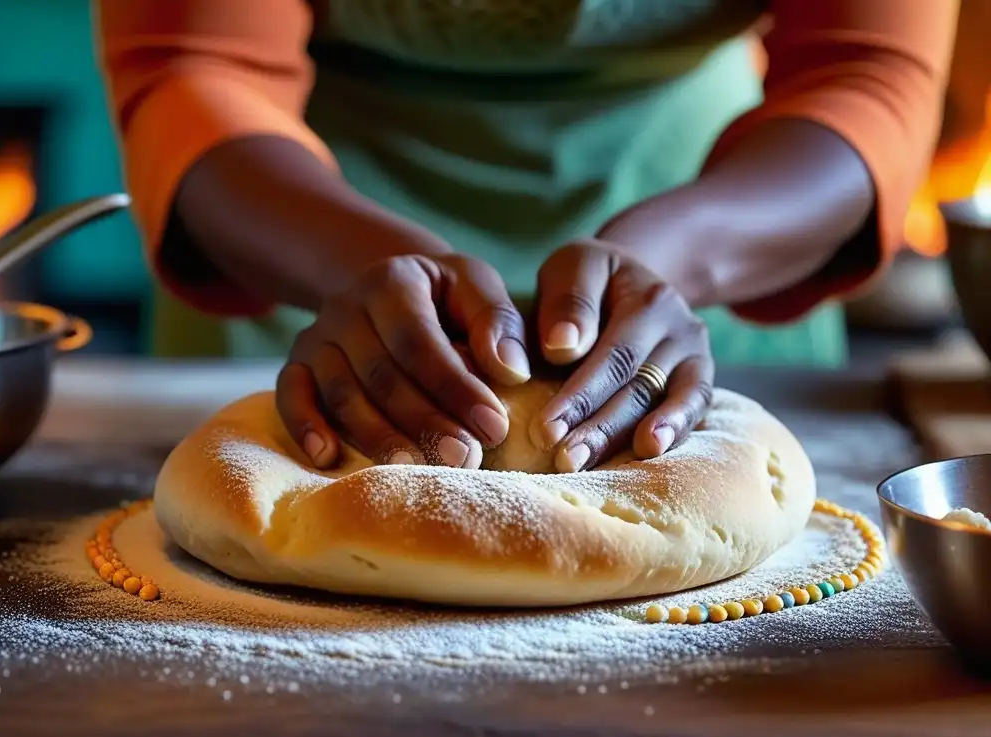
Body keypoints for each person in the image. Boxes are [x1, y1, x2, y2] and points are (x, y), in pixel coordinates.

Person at [94, 0, 956, 473]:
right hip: (297, 223)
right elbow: (196, 64)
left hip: (724, 211)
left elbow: (865, 71)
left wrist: (670, 259)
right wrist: (349, 261)